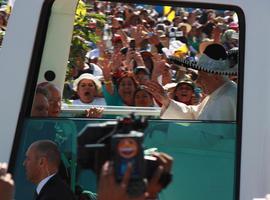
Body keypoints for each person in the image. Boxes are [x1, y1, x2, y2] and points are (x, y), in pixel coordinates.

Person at [147, 43, 238, 121]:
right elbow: (193, 115)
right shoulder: (218, 93)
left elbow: (212, 136)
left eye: (201, 76)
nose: (197, 82)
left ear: (215, 77)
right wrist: (165, 100)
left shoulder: (227, 97)